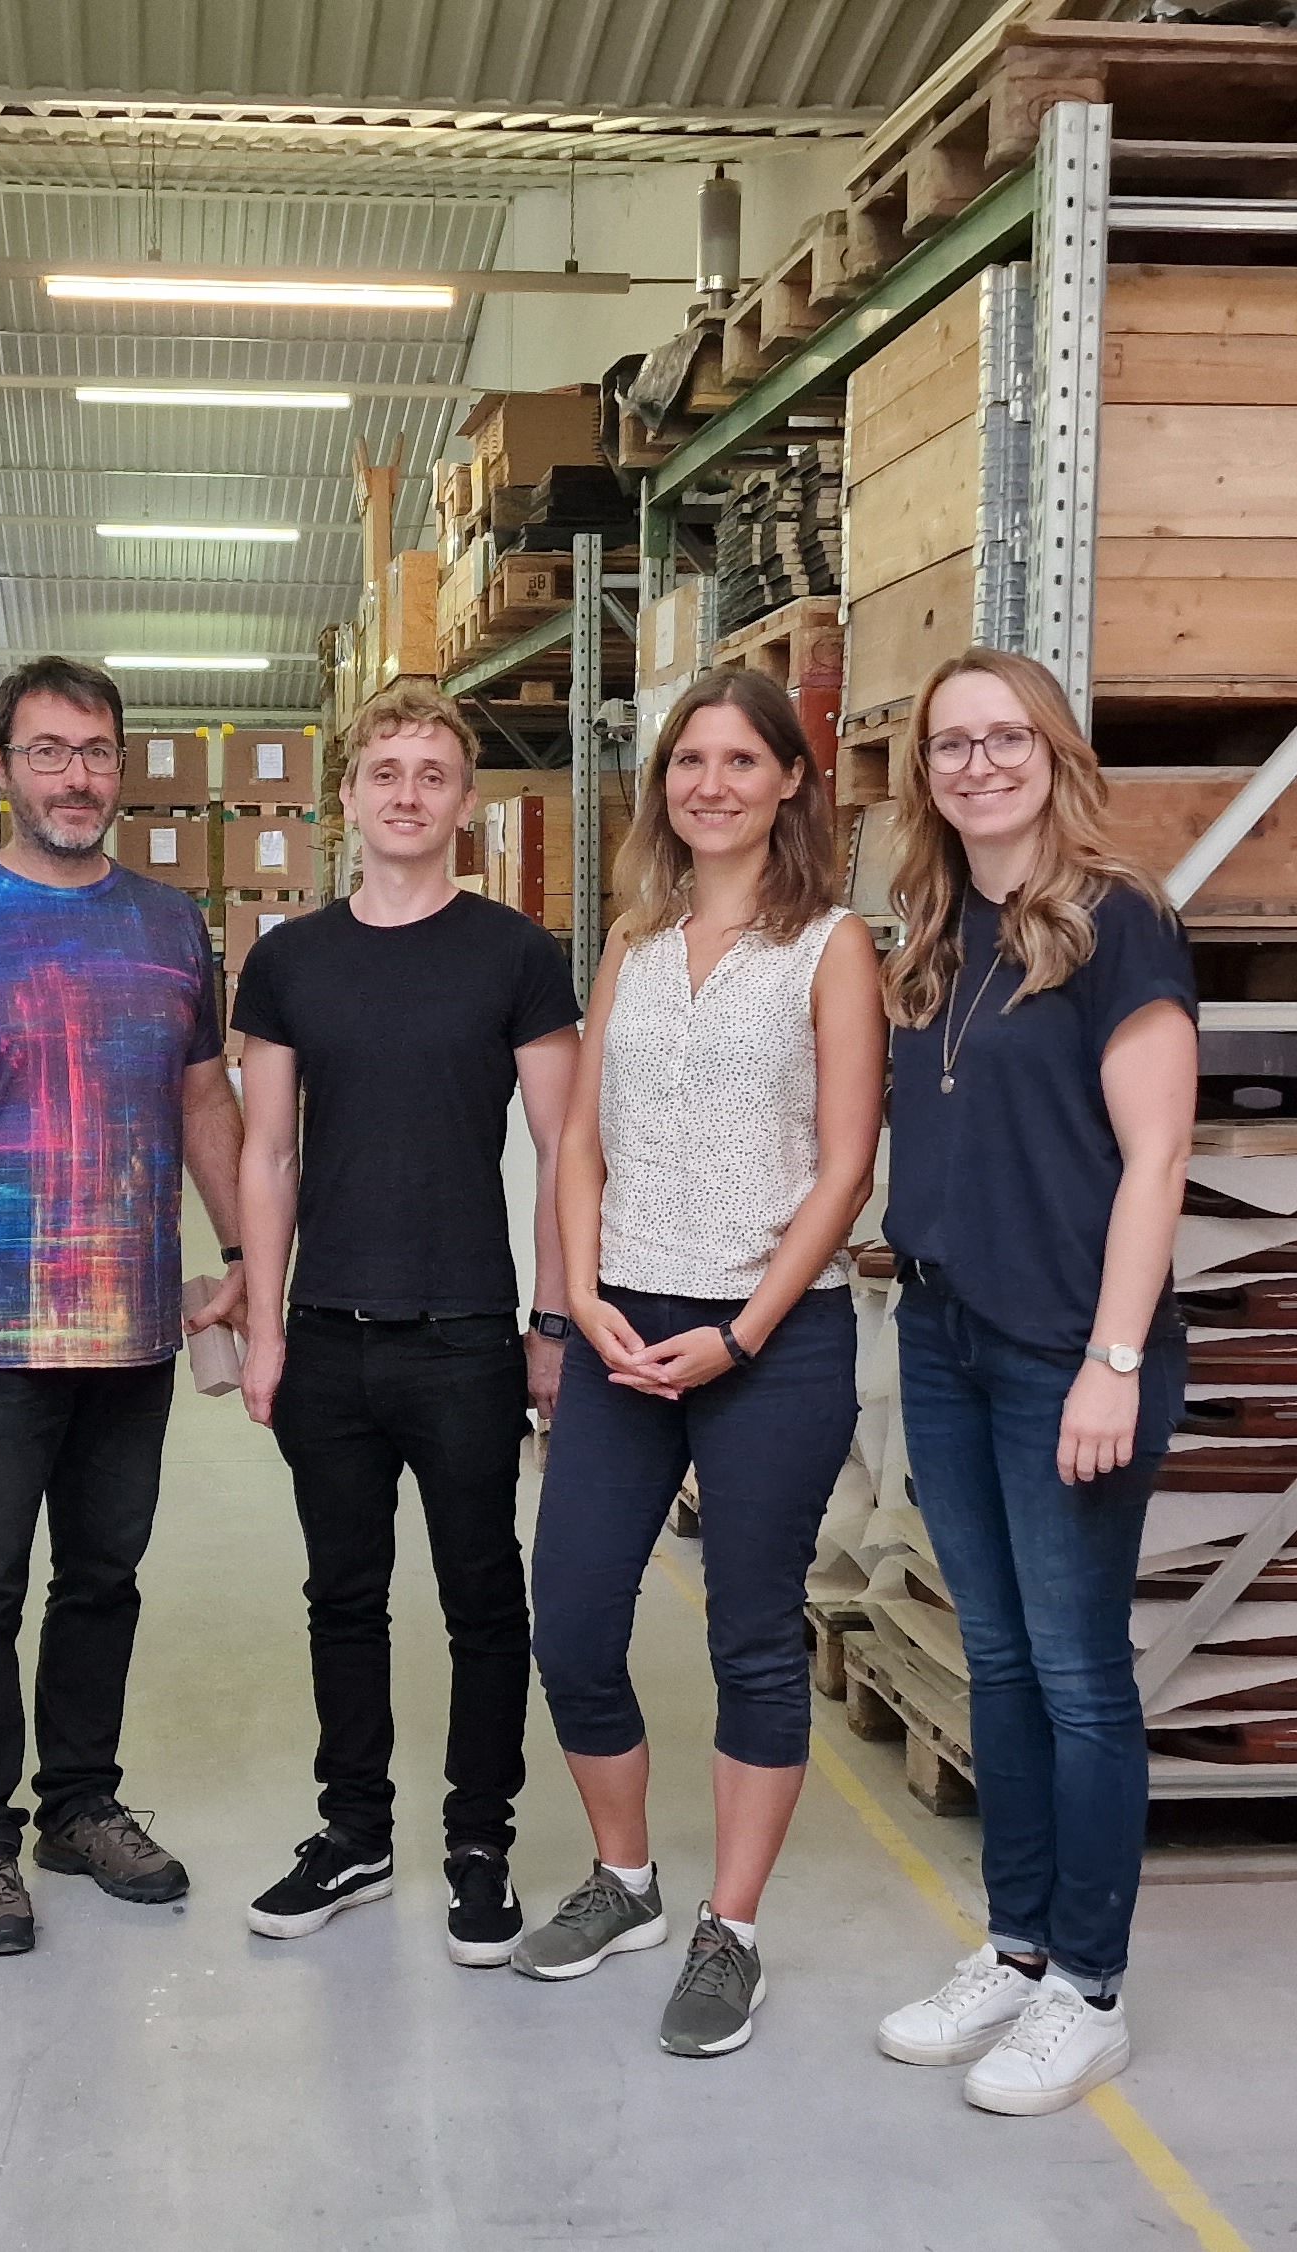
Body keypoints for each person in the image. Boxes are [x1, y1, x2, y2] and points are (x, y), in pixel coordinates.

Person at [516, 667, 878, 2060]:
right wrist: (582, 1305)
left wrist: (743, 1331)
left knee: (749, 1634)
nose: (710, 784)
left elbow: (846, 1167)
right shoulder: (631, 942)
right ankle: (626, 1881)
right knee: (575, 1614)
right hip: (621, 1328)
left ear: (793, 779)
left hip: (769, 1340)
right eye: (688, 761)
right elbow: (583, 1145)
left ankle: (731, 1931)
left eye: (741, 760)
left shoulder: (831, 945)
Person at [863, 650, 1194, 2117]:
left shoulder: (1119, 925)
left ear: (1056, 755)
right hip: (943, 1336)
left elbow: (1159, 1159)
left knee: (1076, 1675)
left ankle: (1092, 1989)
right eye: (951, 744)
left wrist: (1113, 1359)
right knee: (995, 1663)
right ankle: (1014, 1947)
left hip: (1069, 1349)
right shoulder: (933, 928)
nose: (977, 763)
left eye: (1006, 738)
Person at [0, 655, 247, 1954]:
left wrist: (250, 1249)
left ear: (121, 766)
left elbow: (206, 1098)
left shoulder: (168, 923)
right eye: (46, 751)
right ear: (0, 769)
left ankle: (78, 1804)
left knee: (104, 1575)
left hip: (134, 1317)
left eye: (94, 751)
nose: (74, 775)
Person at [230, 682, 580, 1966]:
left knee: (484, 1597)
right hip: (328, 1334)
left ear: (465, 803)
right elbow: (266, 1155)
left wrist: (552, 1323)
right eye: (386, 770)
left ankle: (478, 1840)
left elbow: (564, 1152)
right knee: (344, 1595)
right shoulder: (289, 959)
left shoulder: (513, 953)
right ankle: (356, 1828)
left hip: (465, 1334)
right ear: (347, 798)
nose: (408, 792)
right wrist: (264, 1326)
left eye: (434, 772)